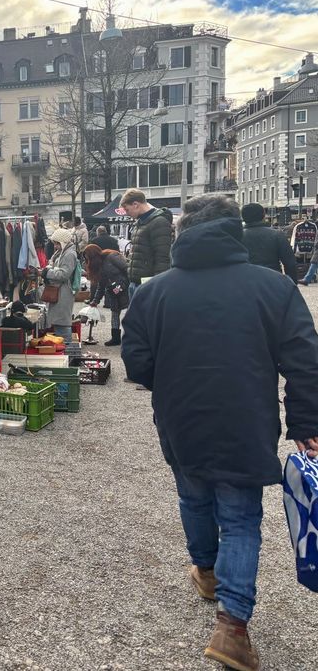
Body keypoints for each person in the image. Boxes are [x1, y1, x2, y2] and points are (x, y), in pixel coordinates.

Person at [122, 194, 318, 671]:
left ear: (185, 231)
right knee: (241, 517)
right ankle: (232, 625)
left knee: (193, 495)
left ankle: (207, 572)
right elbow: (304, 361)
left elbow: (136, 361)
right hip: (246, 416)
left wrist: (168, 381)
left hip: (179, 415)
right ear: (233, 230)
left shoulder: (154, 291)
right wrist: (306, 423)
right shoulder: (273, 287)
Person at [121, 188, 172, 295]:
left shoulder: (159, 222)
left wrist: (157, 287)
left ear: (135, 204)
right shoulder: (139, 223)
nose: (127, 213)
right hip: (136, 283)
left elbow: (162, 258)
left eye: (127, 210)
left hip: (147, 285)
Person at [83, 244, 129, 346]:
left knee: (130, 313)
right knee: (115, 313)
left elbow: (127, 269)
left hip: (124, 289)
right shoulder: (99, 266)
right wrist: (95, 301)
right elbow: (101, 285)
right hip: (113, 291)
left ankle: (130, 337)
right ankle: (116, 338)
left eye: (88, 258)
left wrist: (124, 284)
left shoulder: (111, 257)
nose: (88, 261)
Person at [240, 203, 297, 283]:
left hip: (245, 281)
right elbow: (290, 263)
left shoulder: (236, 236)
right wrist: (292, 284)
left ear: (243, 217)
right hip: (272, 280)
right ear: (263, 215)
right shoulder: (277, 235)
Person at [41, 227, 77, 342]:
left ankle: (67, 351)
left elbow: (64, 274)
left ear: (63, 242)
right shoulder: (62, 252)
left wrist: (47, 272)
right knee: (59, 322)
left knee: (62, 323)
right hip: (60, 292)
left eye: (57, 243)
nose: (55, 246)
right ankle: (64, 350)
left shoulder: (69, 254)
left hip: (63, 292)